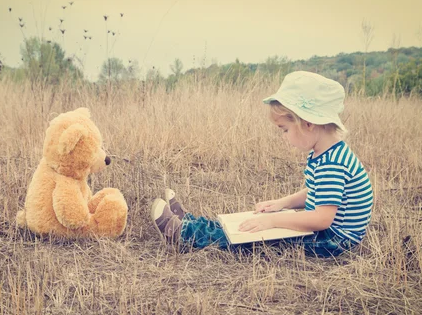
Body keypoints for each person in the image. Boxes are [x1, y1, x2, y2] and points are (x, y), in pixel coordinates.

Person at [150, 71, 373, 257]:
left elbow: (322, 218)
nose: (283, 137)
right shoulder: (327, 153)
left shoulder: (332, 163)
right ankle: (189, 222)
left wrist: (274, 220)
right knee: (252, 224)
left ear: (308, 123)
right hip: (327, 233)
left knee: (256, 237)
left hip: (332, 241)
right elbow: (318, 191)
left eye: (284, 130)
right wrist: (282, 203)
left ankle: (185, 235)